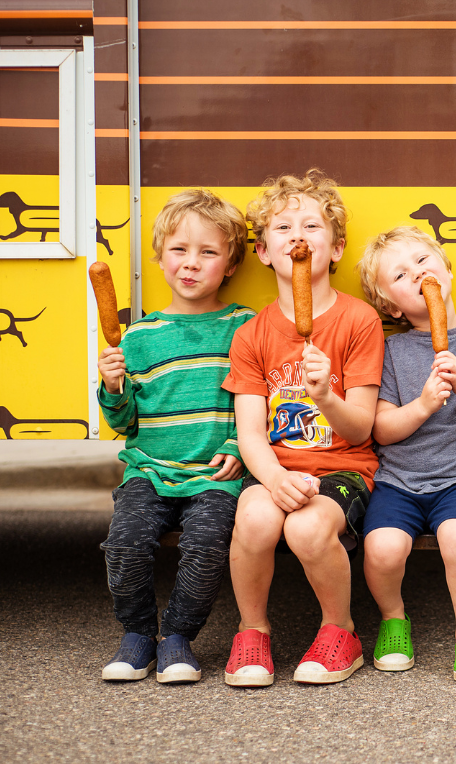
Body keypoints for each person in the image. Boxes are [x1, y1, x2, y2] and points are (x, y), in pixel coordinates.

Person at [222, 169, 384, 687]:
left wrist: (325, 397)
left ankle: (342, 630)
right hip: (277, 467)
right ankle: (252, 632)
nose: (298, 236)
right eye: (283, 227)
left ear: (335, 249)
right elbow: (250, 432)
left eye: (312, 226)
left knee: (307, 528)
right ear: (265, 252)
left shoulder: (359, 322)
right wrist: (272, 480)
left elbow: (360, 428)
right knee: (254, 522)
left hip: (344, 468)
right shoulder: (251, 335)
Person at [98, 189, 253, 683]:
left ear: (229, 265)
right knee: (125, 541)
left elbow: (262, 399)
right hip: (150, 468)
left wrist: (238, 448)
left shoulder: (244, 327)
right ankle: (138, 634)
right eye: (179, 250)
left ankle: (179, 637)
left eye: (208, 252)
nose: (191, 264)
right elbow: (123, 424)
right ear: (160, 257)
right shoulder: (138, 336)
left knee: (208, 546)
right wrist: (113, 384)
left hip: (216, 474)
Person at [357, 226, 456, 682]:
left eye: (424, 262)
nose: (418, 274)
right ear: (391, 305)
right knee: (383, 549)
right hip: (399, 483)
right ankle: (393, 620)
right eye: (401, 274)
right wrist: (425, 403)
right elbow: (382, 430)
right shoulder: (390, 350)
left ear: (446, 270)